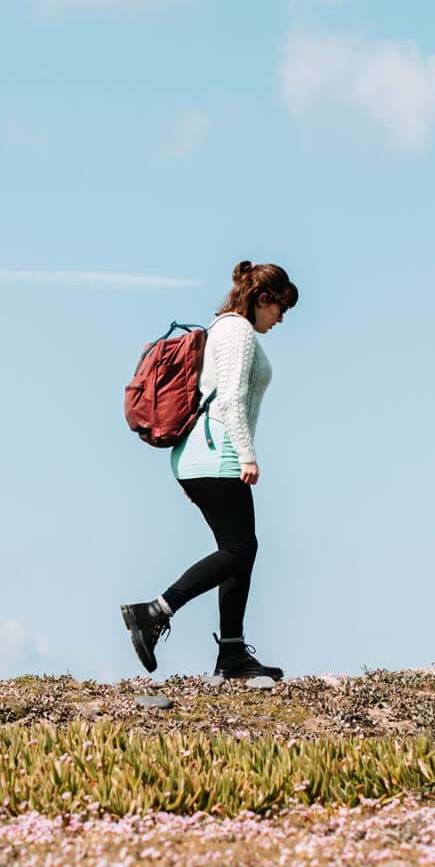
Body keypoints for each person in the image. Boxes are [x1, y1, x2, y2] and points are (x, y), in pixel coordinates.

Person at [122, 260, 297, 682]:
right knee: (239, 550)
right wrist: (247, 455)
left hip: (204, 455)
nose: (281, 318)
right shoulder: (236, 331)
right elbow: (232, 399)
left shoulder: (225, 328)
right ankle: (154, 612)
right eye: (280, 308)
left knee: (240, 550)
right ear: (261, 299)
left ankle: (233, 653)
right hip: (218, 454)